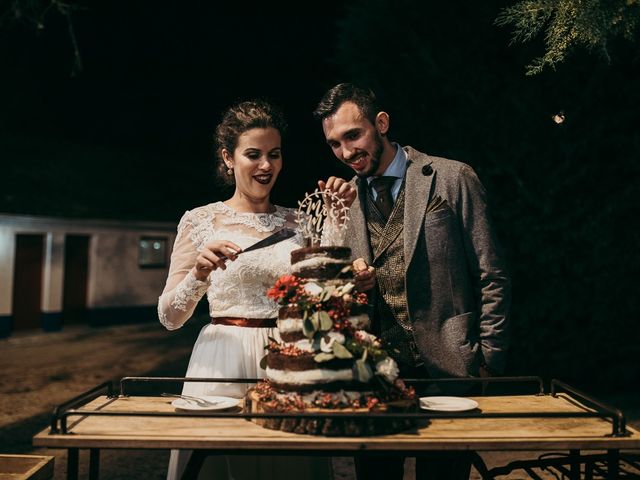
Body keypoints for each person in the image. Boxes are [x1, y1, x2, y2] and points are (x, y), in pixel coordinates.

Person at [315, 83, 511, 480]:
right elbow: (327, 293)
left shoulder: (452, 178)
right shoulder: (343, 203)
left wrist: (488, 358)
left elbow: (491, 273)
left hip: (450, 367)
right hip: (374, 374)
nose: (346, 152)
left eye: (354, 135)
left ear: (381, 123)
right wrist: (351, 285)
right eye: (335, 144)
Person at [158, 100, 332, 480]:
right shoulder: (200, 220)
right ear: (228, 158)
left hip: (290, 360)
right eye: (253, 154)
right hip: (223, 361)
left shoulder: (301, 221)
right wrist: (199, 273)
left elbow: (324, 295)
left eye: (274, 154)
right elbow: (169, 317)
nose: (266, 166)